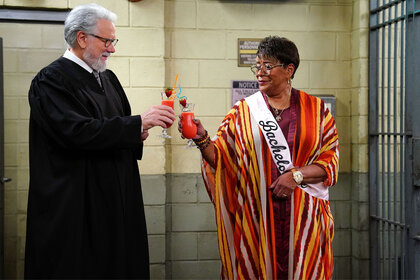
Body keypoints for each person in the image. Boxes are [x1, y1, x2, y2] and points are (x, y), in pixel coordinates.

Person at [24, 3, 175, 279]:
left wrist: (135, 135)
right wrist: (138, 122)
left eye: (113, 41)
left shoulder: (108, 78)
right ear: (82, 38)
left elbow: (113, 127)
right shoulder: (51, 80)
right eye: (107, 41)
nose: (112, 48)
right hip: (77, 206)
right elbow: (77, 132)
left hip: (115, 203)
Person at [179, 36, 339, 279]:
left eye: (267, 66)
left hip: (304, 219)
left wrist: (295, 176)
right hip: (256, 219)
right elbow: (222, 160)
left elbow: (330, 162)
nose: (260, 72)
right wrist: (202, 140)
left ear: (289, 70)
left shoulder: (317, 110)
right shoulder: (243, 111)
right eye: (257, 66)